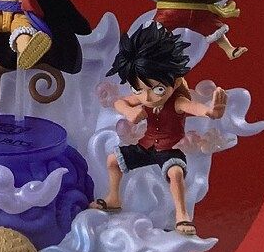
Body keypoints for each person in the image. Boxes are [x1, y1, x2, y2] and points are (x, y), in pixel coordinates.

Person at [90, 22, 227, 236]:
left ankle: (182, 215)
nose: (147, 97)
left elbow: (196, 108)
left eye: (158, 89)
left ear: (175, 81)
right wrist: (128, 111)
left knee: (175, 173)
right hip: (146, 147)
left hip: (169, 149)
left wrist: (211, 111)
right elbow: (119, 102)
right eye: (138, 89)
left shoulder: (178, 102)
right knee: (112, 160)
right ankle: (114, 198)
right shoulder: (143, 98)